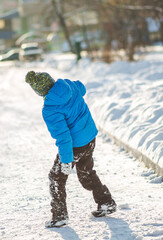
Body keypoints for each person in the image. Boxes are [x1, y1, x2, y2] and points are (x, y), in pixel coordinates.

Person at [25, 71, 116, 228]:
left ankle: (59, 215)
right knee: (86, 172)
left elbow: (64, 137)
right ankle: (106, 202)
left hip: (76, 145)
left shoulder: (50, 108)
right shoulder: (69, 85)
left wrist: (66, 161)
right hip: (90, 137)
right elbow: (82, 88)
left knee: (56, 177)